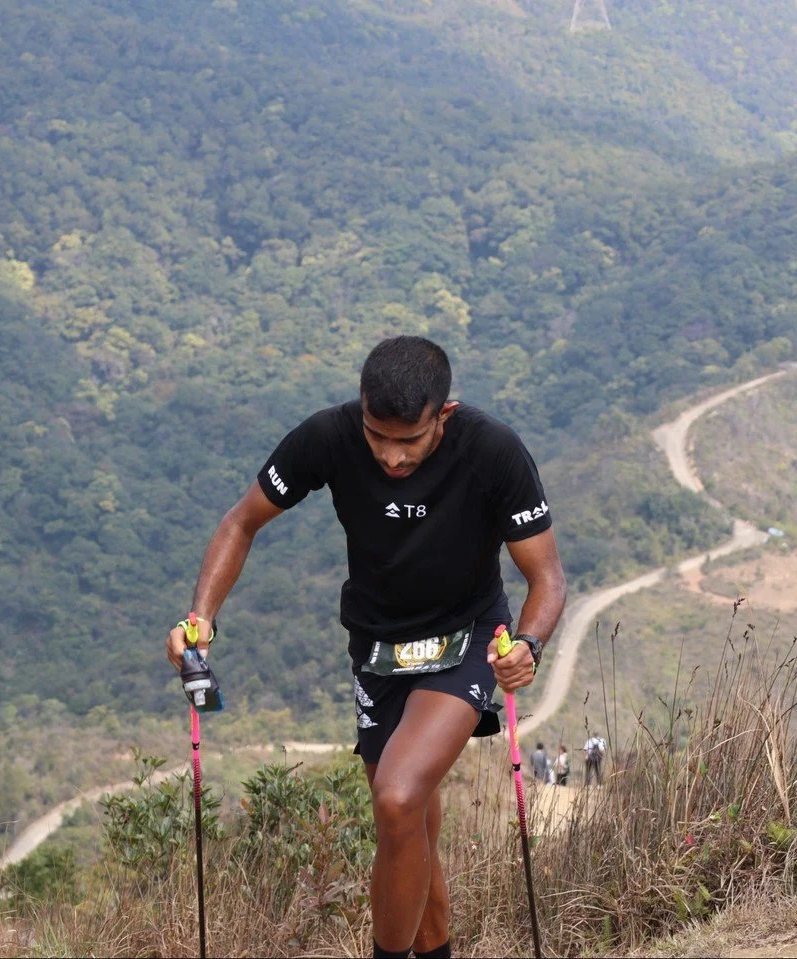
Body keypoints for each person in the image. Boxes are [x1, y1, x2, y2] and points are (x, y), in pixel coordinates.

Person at [166, 336, 567, 959]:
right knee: (411, 824)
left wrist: (530, 645)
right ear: (360, 409)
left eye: (409, 441)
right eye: (377, 435)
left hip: (466, 639)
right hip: (377, 649)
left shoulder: (493, 451)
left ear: (445, 415)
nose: (390, 456)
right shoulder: (328, 438)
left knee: (399, 797)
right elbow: (241, 522)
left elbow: (547, 578)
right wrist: (200, 620)